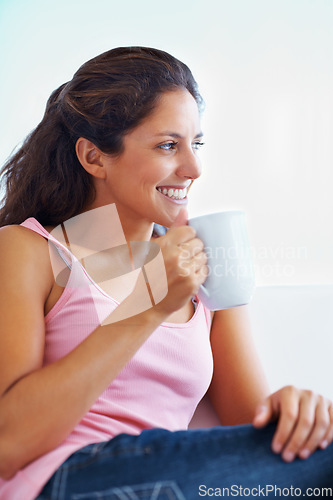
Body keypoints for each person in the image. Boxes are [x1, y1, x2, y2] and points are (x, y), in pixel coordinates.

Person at [0, 47, 332, 500]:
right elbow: (8, 444)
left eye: (195, 144)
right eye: (168, 145)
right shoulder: (29, 250)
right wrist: (148, 302)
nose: (194, 169)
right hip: (67, 478)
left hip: (180, 480)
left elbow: (251, 435)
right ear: (94, 156)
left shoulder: (204, 265)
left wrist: (295, 415)